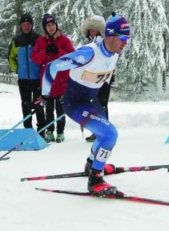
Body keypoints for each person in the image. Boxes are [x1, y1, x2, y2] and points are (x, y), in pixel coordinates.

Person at [33, 13, 130, 196]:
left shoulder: (115, 53)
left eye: (127, 38)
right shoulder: (88, 53)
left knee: (104, 135)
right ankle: (95, 179)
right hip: (75, 103)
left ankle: (91, 164)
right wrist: (46, 95)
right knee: (110, 134)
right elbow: (53, 67)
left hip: (91, 101)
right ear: (111, 35)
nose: (126, 42)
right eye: (123, 37)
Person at [31, 13, 75, 143]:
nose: (51, 27)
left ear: (56, 25)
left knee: (60, 109)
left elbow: (72, 57)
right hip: (47, 81)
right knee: (48, 109)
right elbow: (35, 58)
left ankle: (60, 132)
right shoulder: (40, 41)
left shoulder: (64, 40)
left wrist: (59, 51)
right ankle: (50, 131)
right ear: (45, 28)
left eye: (53, 24)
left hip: (61, 80)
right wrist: (46, 52)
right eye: (48, 25)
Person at [8, 13, 46, 136]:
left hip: (37, 78)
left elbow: (44, 57)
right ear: (20, 25)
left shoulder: (38, 39)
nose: (26, 26)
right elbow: (11, 57)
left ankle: (41, 130)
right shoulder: (16, 40)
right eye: (23, 24)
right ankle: (28, 129)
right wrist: (17, 69)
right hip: (23, 79)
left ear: (32, 25)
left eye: (28, 24)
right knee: (25, 104)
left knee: (38, 104)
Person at [80, 15, 116, 142]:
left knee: (100, 104)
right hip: (94, 77)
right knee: (97, 104)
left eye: (94, 29)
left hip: (104, 77)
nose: (92, 32)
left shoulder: (103, 42)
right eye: (90, 29)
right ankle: (100, 130)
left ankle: (103, 131)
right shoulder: (92, 43)